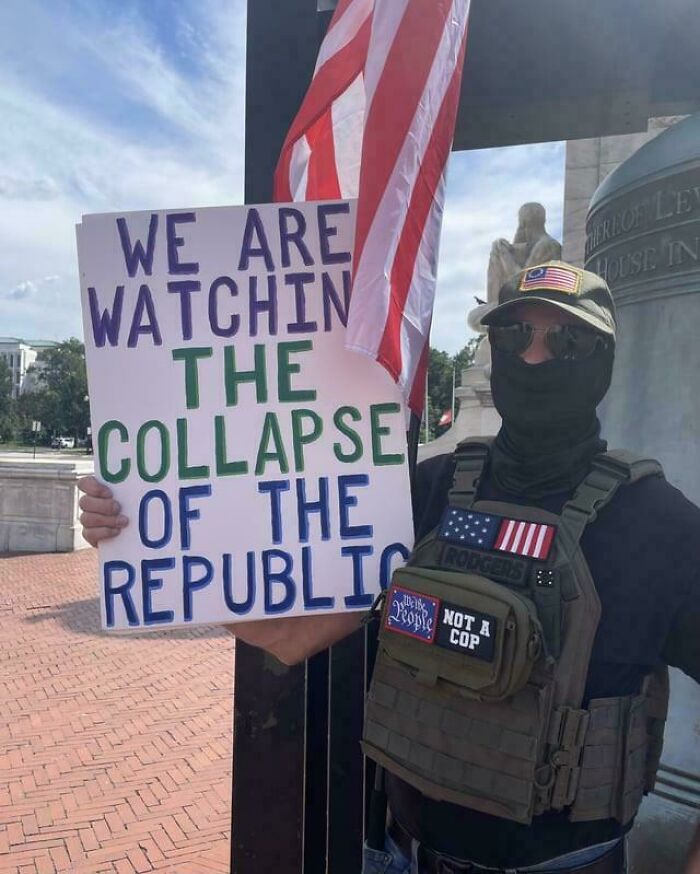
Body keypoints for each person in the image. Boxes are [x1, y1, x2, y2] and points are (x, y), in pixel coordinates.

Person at [78, 261, 700, 874]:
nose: (534, 358)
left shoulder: (661, 525)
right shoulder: (427, 489)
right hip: (402, 855)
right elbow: (292, 636)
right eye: (514, 335)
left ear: (602, 361)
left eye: (567, 341)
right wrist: (152, 543)